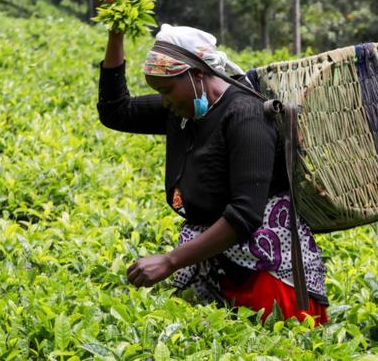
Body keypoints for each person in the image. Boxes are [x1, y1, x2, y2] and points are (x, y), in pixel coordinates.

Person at [96, 19, 329, 325]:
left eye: (166, 90)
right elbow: (116, 111)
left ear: (197, 74)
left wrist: (169, 261)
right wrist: (116, 30)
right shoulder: (184, 109)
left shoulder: (247, 116)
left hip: (267, 276)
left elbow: (245, 215)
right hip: (214, 262)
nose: (164, 101)